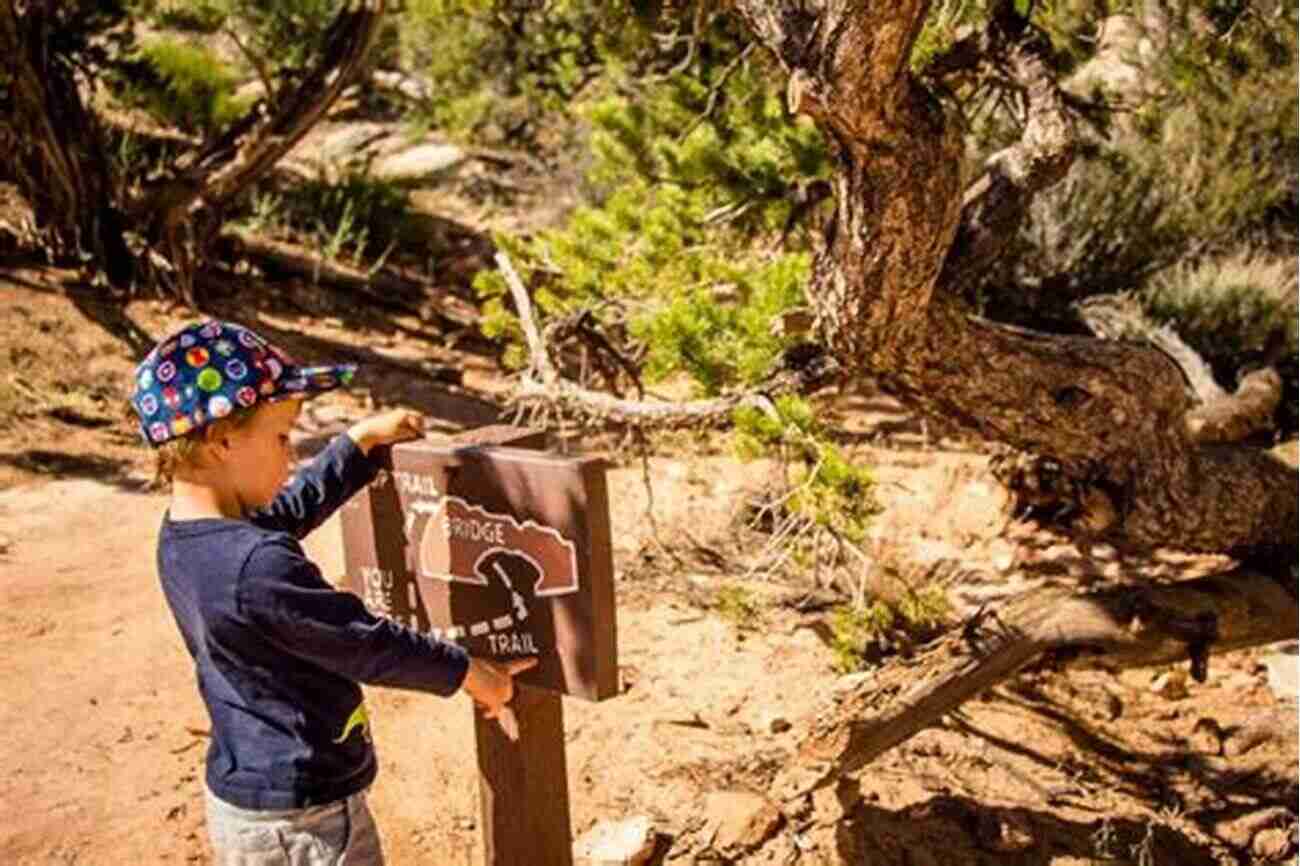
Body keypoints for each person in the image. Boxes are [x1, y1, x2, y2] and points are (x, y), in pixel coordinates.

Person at [129, 319, 534, 865]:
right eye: (281, 436)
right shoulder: (256, 565)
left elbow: (285, 515)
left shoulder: (185, 539)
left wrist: (356, 446)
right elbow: (364, 642)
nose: (290, 453)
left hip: (248, 796)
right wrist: (472, 675)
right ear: (223, 440)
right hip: (305, 821)